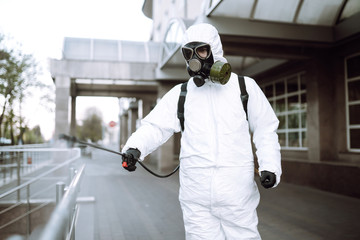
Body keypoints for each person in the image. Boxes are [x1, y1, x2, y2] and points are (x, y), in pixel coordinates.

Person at [121, 23, 281, 240]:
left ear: (215, 49)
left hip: (236, 193)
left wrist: (269, 165)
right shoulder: (182, 93)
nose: (195, 58)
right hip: (195, 195)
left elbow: (265, 128)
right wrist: (134, 148)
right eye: (189, 52)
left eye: (202, 50)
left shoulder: (244, 87)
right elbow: (155, 127)